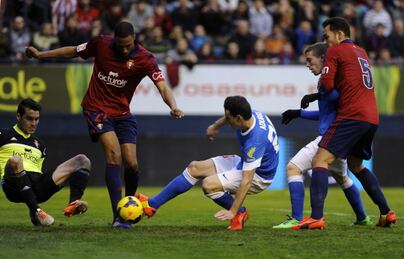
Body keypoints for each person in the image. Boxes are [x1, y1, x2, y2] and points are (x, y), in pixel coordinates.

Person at [25, 21, 184, 229]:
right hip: (96, 108)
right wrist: (40, 55)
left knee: (132, 163)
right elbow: (72, 52)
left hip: (123, 114)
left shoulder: (145, 58)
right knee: (113, 154)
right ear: (114, 40)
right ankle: (118, 216)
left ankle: (129, 208)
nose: (125, 49)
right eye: (121, 45)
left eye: (128, 45)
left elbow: (162, 86)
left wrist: (173, 105)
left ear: (134, 39)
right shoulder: (100, 44)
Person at [293, 17, 397, 230]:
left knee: (320, 160)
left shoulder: (335, 51)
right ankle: (387, 212)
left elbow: (328, 85)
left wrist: (316, 94)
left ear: (339, 34)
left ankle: (316, 217)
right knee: (356, 165)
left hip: (352, 116)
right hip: (371, 117)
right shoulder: (362, 52)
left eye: (327, 36)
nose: (326, 40)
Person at [136, 96, 279, 231]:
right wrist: (216, 126)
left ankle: (239, 213)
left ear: (238, 118)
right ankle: (152, 205)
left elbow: (247, 181)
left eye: (229, 118)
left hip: (259, 177)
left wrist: (232, 211)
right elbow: (228, 117)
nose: (227, 120)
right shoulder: (251, 113)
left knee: (209, 185)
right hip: (246, 162)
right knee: (194, 167)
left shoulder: (255, 142)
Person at [273, 42, 372, 229]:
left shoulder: (330, 81)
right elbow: (326, 113)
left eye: (310, 60)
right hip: (339, 140)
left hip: (329, 138)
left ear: (323, 59)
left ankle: (296, 218)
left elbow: (334, 97)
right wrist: (299, 113)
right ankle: (362, 217)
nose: (308, 65)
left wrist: (316, 95)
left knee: (292, 168)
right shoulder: (327, 82)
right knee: (343, 178)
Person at [0, 98, 91, 226]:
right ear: (18, 116)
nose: (34, 123)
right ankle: (36, 210)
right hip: (12, 186)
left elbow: (38, 170)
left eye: (37, 119)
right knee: (16, 160)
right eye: (29, 119)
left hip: (36, 187)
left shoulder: (40, 145)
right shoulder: (3, 135)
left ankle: (73, 204)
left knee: (83, 160)